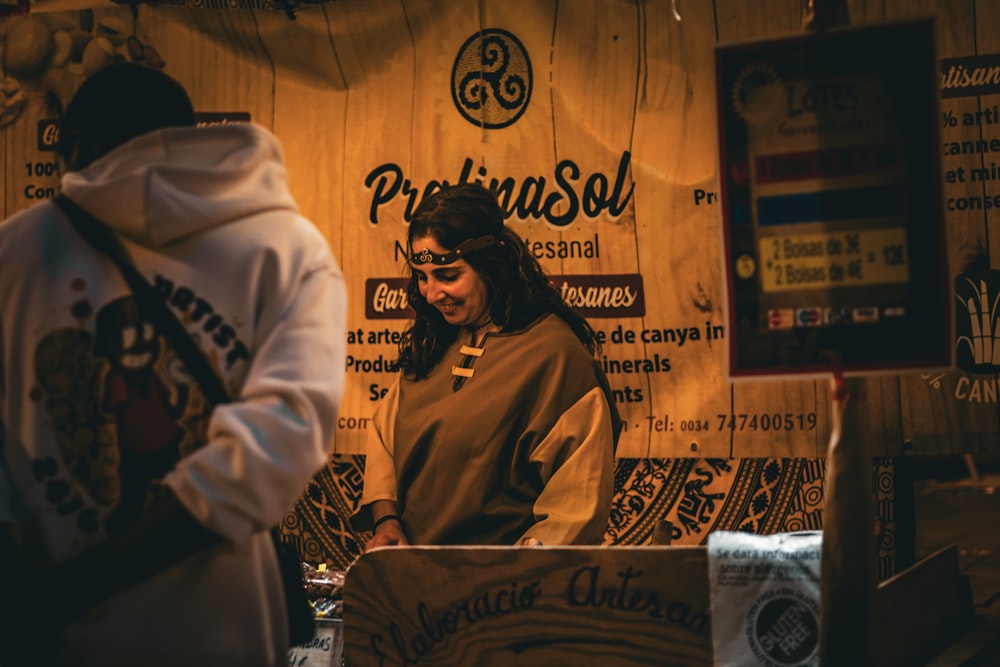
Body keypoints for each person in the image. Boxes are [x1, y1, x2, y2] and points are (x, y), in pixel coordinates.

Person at [0, 63, 346, 666]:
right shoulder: (289, 252)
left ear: (72, 144)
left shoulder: (11, 256)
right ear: (190, 140)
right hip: (224, 638)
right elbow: (274, 451)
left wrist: (61, 590)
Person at [351, 182, 619, 550]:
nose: (430, 294)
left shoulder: (555, 356)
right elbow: (386, 436)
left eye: (448, 276)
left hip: (503, 595)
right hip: (413, 579)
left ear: (492, 265)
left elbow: (576, 508)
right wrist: (387, 521)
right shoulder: (435, 341)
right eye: (422, 277)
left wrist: (503, 581)